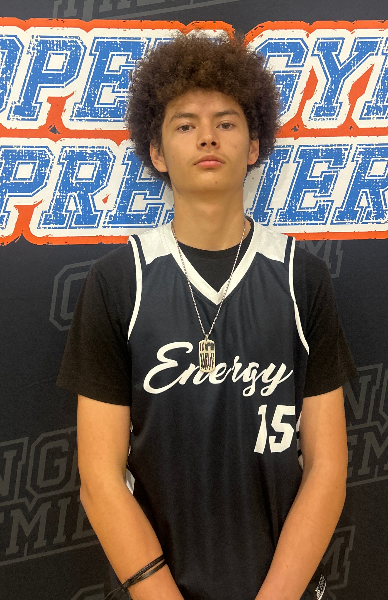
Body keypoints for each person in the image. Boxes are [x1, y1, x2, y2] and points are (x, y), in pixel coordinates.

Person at [57, 30, 358, 600]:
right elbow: (99, 479)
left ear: (254, 145)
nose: (207, 137)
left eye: (226, 122)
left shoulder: (302, 277)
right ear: (155, 152)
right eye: (184, 125)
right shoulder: (119, 282)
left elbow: (327, 467)